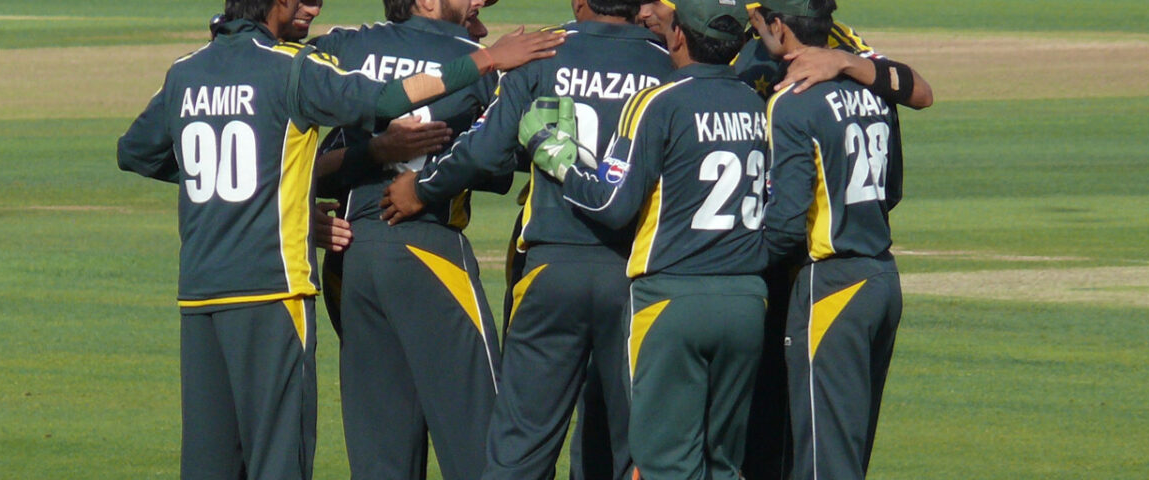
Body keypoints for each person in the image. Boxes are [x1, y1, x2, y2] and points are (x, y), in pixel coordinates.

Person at [115, 0, 563, 476]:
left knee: (232, 460)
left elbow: (140, 152)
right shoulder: (296, 67)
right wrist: (488, 60)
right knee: (476, 446)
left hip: (262, 280)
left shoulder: (202, 68)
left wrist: (268, 191)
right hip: (323, 278)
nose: (315, 7)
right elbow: (403, 109)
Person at [379, 0, 672, 478]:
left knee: (520, 448)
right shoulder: (668, 63)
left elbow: (484, 150)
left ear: (580, 2)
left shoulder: (543, 50)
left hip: (550, 269)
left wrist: (423, 188)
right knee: (630, 446)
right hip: (636, 274)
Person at [527, 0, 770, 475]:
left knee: (665, 464)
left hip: (671, 301)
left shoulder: (658, 101)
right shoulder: (755, 103)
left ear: (678, 35)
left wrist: (559, 161)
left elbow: (612, 206)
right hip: (747, 300)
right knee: (724, 465)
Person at [306, 0, 518, 478]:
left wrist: (298, 209)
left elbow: (278, 129)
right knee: (485, 443)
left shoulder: (348, 46)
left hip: (352, 257)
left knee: (381, 453)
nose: (477, 5)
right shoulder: (478, 59)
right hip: (429, 251)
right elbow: (499, 161)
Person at [757, 1, 904, 478]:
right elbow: (892, 191)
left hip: (830, 285)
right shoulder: (874, 92)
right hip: (882, 278)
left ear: (779, 26)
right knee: (849, 452)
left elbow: (785, 225)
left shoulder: (791, 101)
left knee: (824, 460)